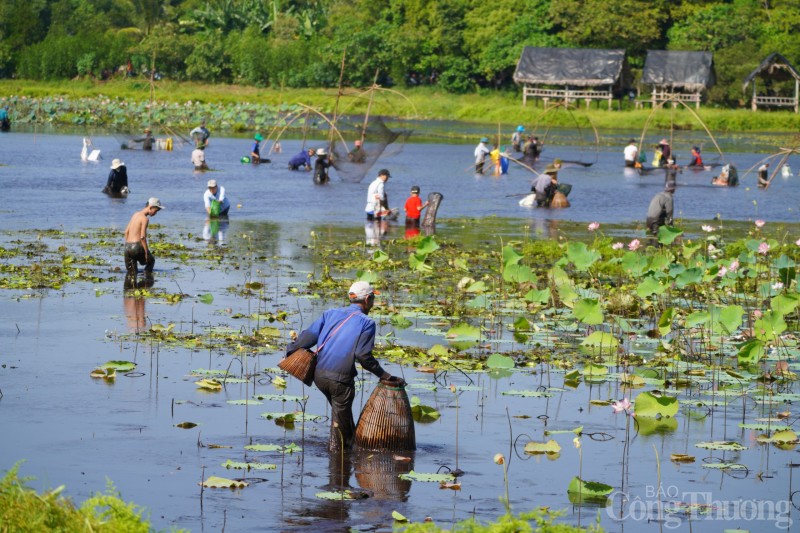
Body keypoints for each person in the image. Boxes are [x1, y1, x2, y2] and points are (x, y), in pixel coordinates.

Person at [285, 281, 404, 452]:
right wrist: (383, 374)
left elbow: (307, 337)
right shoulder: (367, 323)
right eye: (373, 299)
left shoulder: (330, 313)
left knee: (343, 416)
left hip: (319, 376)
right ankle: (338, 458)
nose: (373, 303)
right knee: (340, 425)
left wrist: (291, 349)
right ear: (368, 299)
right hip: (340, 381)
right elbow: (362, 356)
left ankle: (350, 449)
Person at [123, 198, 164, 277]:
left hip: (127, 246)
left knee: (131, 273)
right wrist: (146, 252)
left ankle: (131, 287)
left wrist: (128, 246)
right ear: (151, 207)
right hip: (137, 246)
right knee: (151, 261)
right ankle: (146, 281)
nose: (156, 213)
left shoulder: (135, 214)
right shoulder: (145, 219)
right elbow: (142, 237)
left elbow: (126, 232)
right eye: (156, 210)